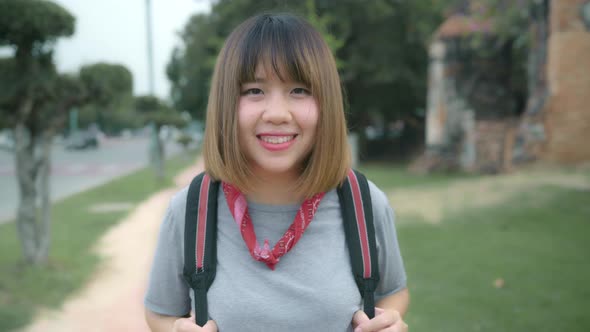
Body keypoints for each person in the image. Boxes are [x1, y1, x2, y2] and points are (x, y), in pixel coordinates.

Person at [144, 13, 409, 332]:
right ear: (227, 103)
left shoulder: (365, 204)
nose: (278, 114)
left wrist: (390, 320)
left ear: (327, 102)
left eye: (299, 90)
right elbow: (159, 313)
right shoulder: (190, 211)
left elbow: (394, 292)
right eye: (254, 90)